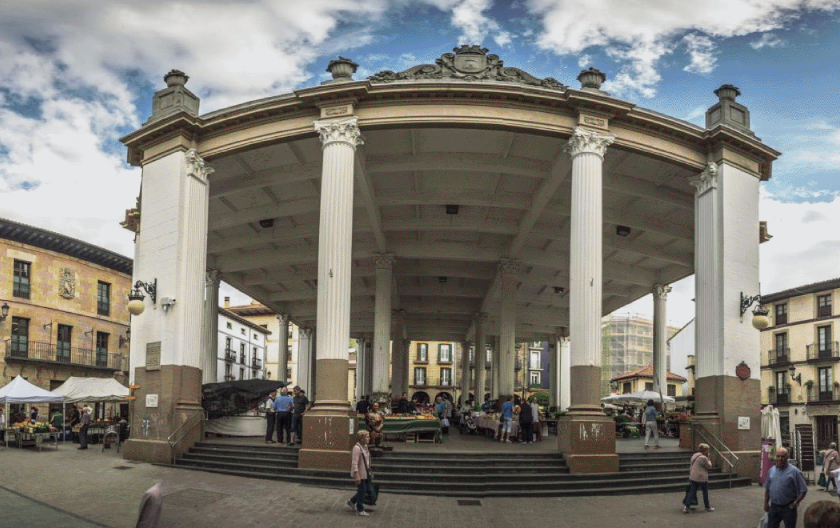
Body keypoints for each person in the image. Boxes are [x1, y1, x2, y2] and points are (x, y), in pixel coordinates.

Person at [765, 446, 808, 528]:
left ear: (787, 457)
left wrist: (795, 503)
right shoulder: (771, 470)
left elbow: (803, 490)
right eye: (778, 456)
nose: (780, 459)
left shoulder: (794, 471)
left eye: (783, 456)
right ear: (775, 457)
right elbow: (767, 489)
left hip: (788, 508)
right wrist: (766, 503)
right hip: (774, 507)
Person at [682, 443, 714, 513]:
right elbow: (709, 466)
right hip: (701, 477)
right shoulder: (704, 458)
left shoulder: (695, 455)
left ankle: (686, 506)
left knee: (692, 492)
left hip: (693, 476)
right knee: (705, 492)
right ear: (705, 451)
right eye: (707, 450)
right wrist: (708, 458)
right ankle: (707, 507)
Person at [347, 430, 372, 517]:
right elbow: (354, 463)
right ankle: (359, 509)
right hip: (360, 473)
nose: (369, 438)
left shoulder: (365, 447)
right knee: (362, 490)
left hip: (365, 472)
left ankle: (352, 501)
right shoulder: (357, 448)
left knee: (364, 489)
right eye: (367, 437)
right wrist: (357, 475)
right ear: (362, 438)